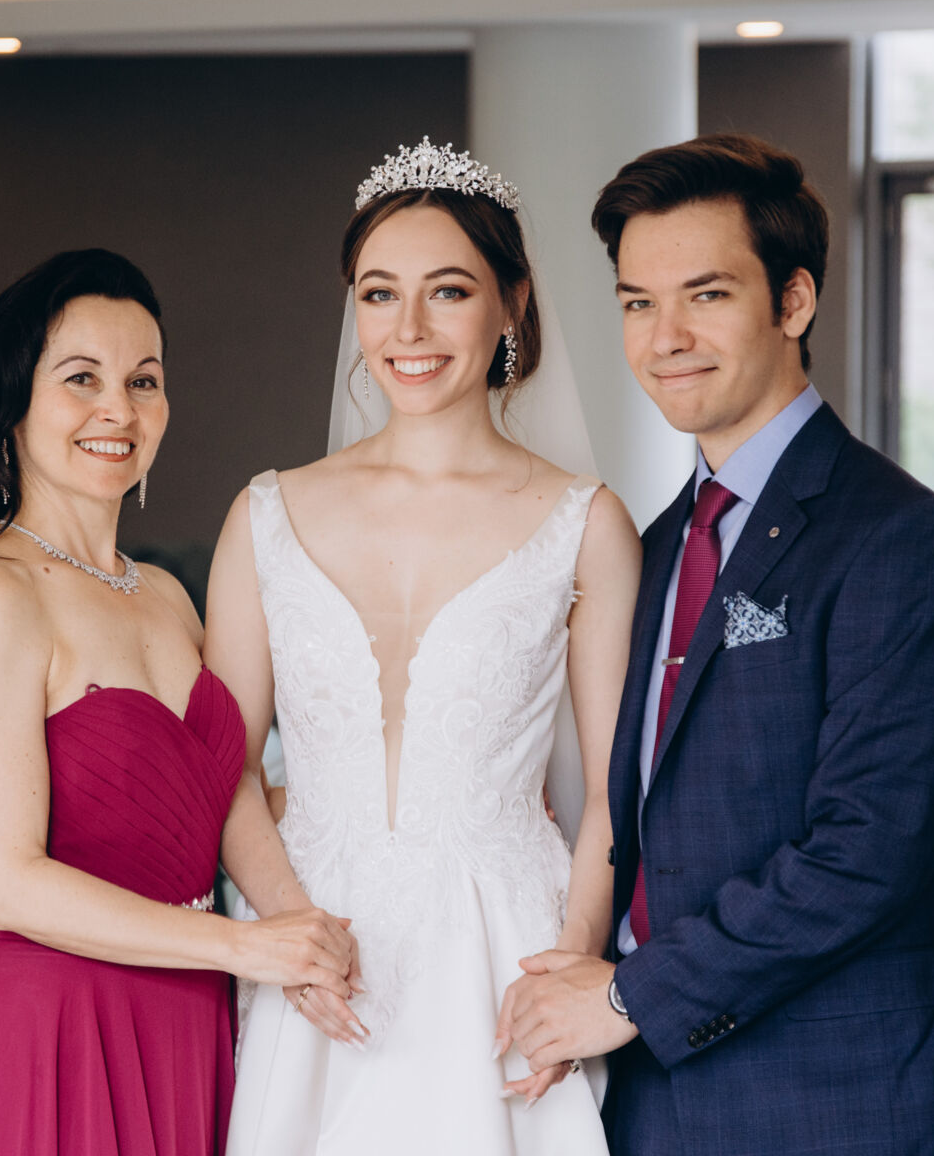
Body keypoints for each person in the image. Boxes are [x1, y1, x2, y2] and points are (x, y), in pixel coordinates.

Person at [495, 135, 934, 1155]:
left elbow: (866, 852)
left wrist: (628, 994)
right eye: (638, 302)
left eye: (707, 295)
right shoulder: (652, 549)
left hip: (841, 1102)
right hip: (653, 1099)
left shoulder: (902, 540)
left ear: (794, 301)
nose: (666, 336)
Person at [208, 140, 640, 1155]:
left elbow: (613, 791)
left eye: (447, 291)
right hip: (315, 947)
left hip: (504, 952)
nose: (408, 330)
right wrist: (291, 931)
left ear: (512, 302)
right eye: (379, 293)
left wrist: (573, 966)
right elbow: (222, 768)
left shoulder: (585, 523)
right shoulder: (266, 514)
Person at [0, 249, 357, 1156]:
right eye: (82, 378)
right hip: (52, 1026)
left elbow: (215, 798)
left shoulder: (165, 595)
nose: (119, 409)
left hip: (184, 1018)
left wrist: (418, 803)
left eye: (143, 381)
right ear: (13, 403)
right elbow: (5, 884)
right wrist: (244, 948)